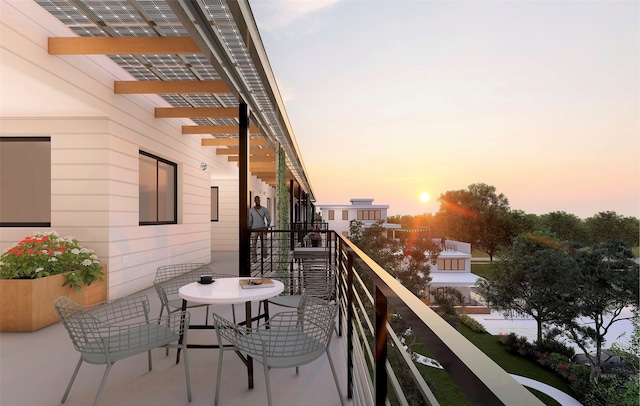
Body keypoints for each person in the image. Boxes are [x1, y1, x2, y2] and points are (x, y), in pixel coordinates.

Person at [249, 196, 270, 261]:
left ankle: (265, 256)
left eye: (258, 200)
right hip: (254, 229)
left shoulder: (264, 209)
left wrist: (267, 227)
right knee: (253, 245)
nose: (257, 201)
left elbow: (268, 218)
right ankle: (254, 259)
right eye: (256, 200)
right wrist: (250, 227)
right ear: (254, 201)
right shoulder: (251, 210)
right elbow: (250, 220)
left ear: (260, 200)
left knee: (264, 243)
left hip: (262, 229)